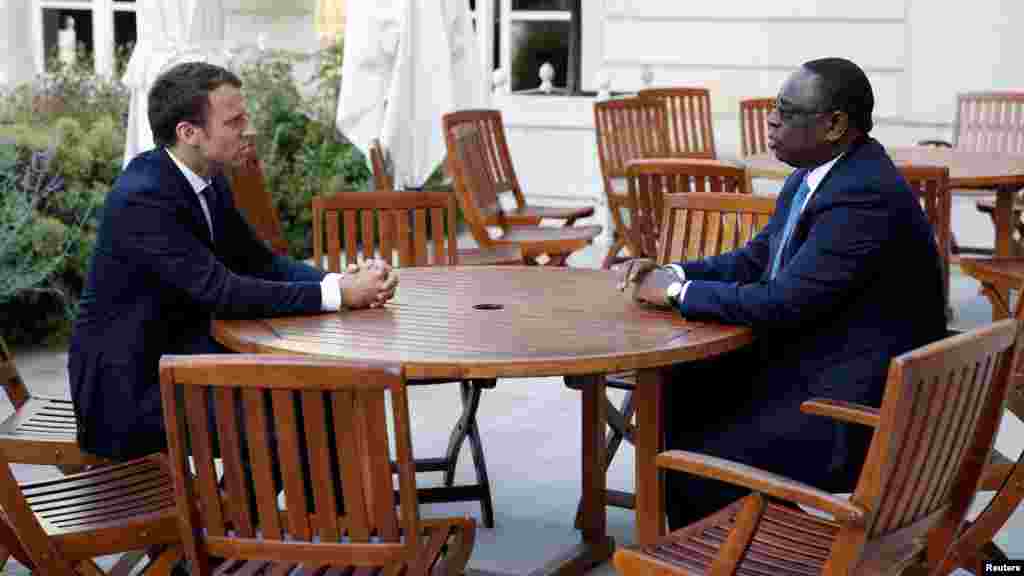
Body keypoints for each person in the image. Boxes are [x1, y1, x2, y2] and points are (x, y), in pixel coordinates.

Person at [616, 57, 947, 529]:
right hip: (831, 375)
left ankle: (724, 547)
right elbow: (758, 258)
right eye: (775, 106)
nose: (771, 120)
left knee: (694, 443)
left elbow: (783, 302)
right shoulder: (819, 174)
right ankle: (712, 542)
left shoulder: (862, 197)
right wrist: (672, 271)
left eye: (788, 112)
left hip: (855, 416)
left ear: (834, 124)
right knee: (683, 385)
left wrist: (678, 293)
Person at [68, 61, 398, 461]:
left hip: (183, 362)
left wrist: (339, 281)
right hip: (129, 395)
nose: (249, 128)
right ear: (188, 133)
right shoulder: (145, 197)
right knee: (306, 403)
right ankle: (254, 519)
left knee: (329, 384)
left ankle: (328, 518)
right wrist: (338, 294)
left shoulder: (207, 177)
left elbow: (260, 262)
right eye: (235, 120)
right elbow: (222, 292)